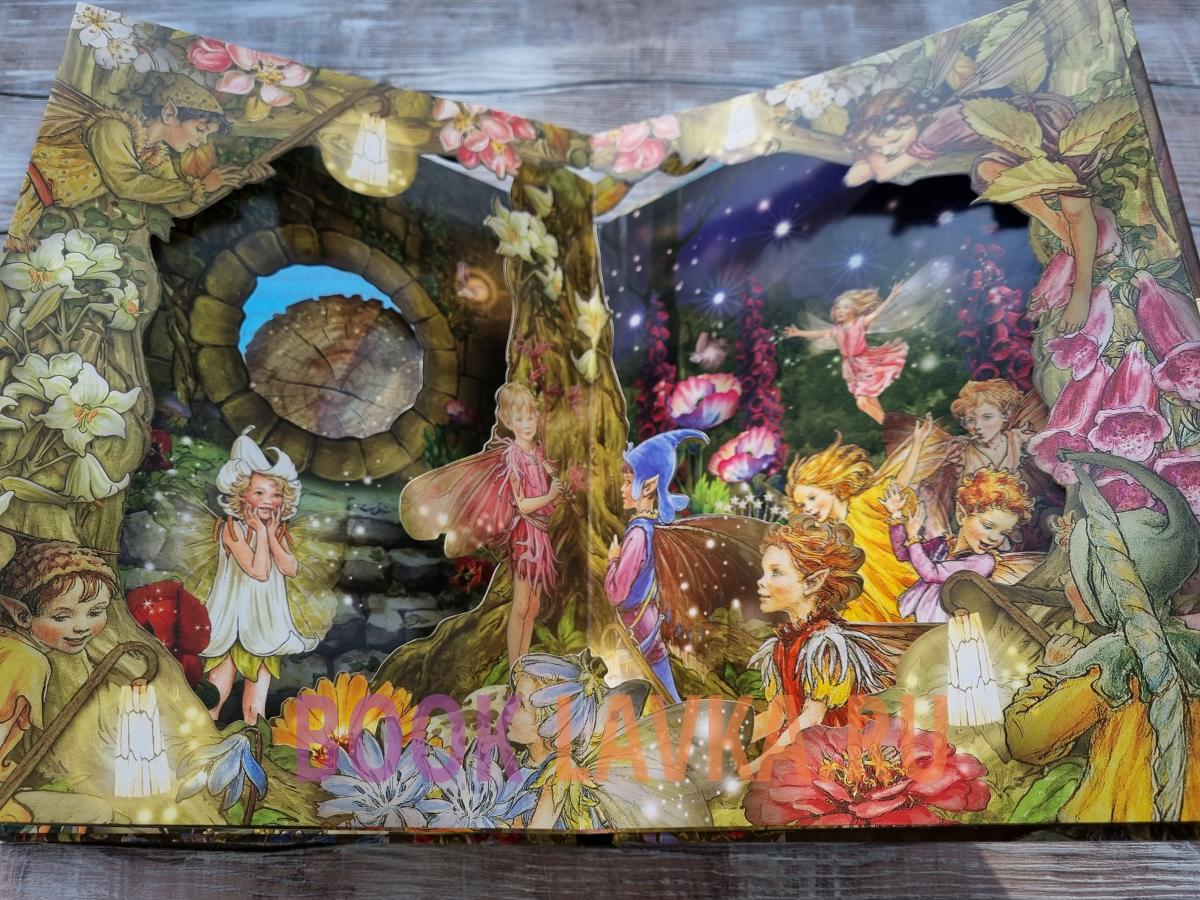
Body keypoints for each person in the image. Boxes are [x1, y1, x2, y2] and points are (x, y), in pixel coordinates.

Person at [7, 73, 269, 251]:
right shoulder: (111, 128)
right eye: (200, 130)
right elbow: (127, 184)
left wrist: (237, 180)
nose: (201, 142)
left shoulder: (154, 158)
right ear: (169, 112)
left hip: (34, 205)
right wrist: (197, 185)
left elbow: (177, 206)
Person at [399, 382, 562, 667]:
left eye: (531, 417)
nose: (527, 424)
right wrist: (549, 496)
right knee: (521, 604)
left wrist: (555, 493)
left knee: (534, 606)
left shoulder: (537, 454)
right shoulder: (512, 457)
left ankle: (522, 663)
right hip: (525, 537)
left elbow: (546, 497)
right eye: (520, 419)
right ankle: (516, 667)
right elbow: (521, 504)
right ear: (508, 421)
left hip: (541, 535)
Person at [744, 523, 895, 777]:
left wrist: (752, 768)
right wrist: (724, 743)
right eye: (764, 571)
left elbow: (811, 719)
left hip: (843, 762)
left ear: (813, 582)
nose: (761, 581)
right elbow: (777, 714)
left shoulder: (827, 645)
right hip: (808, 754)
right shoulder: (781, 646)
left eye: (776, 572)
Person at [201, 428, 313, 724]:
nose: (268, 501)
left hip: (263, 628)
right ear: (242, 495)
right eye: (259, 492)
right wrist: (262, 534)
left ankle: (256, 745)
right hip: (233, 628)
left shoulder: (278, 532)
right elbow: (259, 571)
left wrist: (271, 536)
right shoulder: (231, 529)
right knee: (216, 695)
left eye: (275, 494)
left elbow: (290, 568)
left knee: (255, 707)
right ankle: (204, 742)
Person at [0, 541, 116, 819]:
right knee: (95, 813)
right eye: (62, 616)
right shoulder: (24, 659)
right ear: (20, 614)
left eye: (95, 612)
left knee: (97, 809)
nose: (82, 627)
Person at [785, 421, 934, 622]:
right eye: (802, 505)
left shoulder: (864, 501)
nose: (808, 508)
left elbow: (899, 483)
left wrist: (917, 443)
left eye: (812, 498)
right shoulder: (827, 535)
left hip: (894, 581)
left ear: (831, 488)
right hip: (864, 601)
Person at [882, 467, 1034, 623]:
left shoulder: (983, 562)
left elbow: (931, 574)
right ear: (961, 515)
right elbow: (903, 554)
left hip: (945, 624)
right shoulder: (944, 544)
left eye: (1004, 533)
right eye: (988, 526)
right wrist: (896, 516)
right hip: (914, 616)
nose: (994, 538)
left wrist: (913, 538)